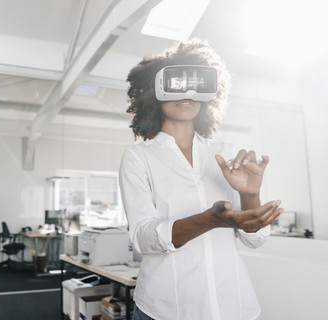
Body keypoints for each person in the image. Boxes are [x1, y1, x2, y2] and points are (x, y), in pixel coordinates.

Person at [118, 38, 284, 320]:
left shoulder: (226, 153)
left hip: (233, 305)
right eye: (176, 84)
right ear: (152, 92)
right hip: (166, 308)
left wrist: (250, 195)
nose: (188, 92)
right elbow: (143, 239)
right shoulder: (138, 158)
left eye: (197, 83)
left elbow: (254, 241)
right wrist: (210, 219)